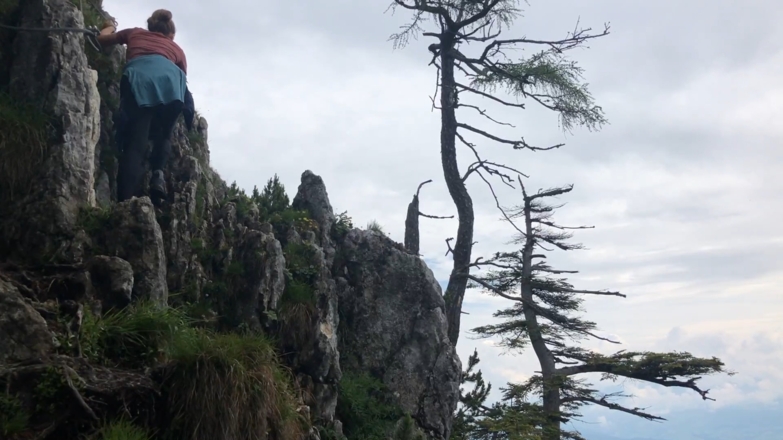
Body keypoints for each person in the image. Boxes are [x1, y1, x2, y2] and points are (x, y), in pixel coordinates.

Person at [97, 9, 191, 204]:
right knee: (164, 135)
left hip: (140, 82)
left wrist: (109, 26)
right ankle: (157, 174)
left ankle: (126, 201)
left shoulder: (135, 33)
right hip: (172, 87)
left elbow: (103, 39)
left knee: (136, 145)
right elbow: (183, 79)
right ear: (171, 35)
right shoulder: (177, 50)